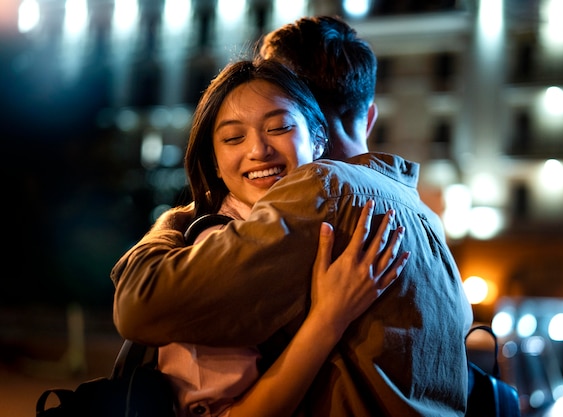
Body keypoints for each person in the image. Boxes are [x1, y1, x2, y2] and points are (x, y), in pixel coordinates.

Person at [112, 15, 473, 416]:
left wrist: (176, 222)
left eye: (273, 114)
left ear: (304, 114)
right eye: (235, 135)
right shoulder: (423, 217)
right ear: (368, 116)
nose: (258, 147)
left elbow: (140, 304)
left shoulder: (321, 191)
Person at [154, 59, 409, 417]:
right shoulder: (215, 251)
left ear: (318, 139)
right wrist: (328, 319)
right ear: (214, 161)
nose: (258, 150)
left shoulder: (332, 230)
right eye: (233, 137)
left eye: (279, 128)